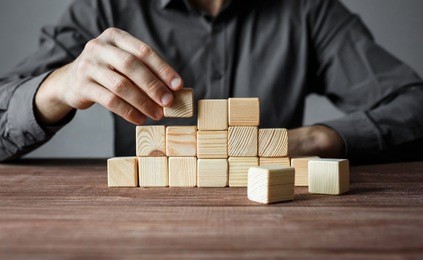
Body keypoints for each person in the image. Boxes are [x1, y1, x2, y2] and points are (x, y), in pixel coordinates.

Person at [0, 0, 422, 164]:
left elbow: (414, 104)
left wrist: (316, 138)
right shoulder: (105, 7)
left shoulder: (310, 11)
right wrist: (59, 86)